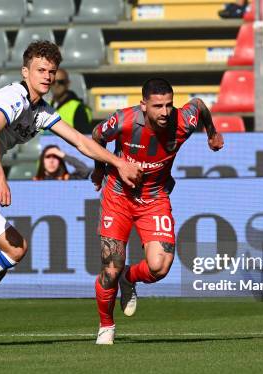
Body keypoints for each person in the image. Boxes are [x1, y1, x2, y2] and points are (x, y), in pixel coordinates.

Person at [0, 40, 141, 348]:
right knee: (16, 248)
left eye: (52, 71)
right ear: (25, 71)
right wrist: (0, 177)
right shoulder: (13, 96)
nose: (47, 76)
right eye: (40, 70)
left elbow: (80, 142)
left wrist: (118, 162)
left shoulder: (40, 111)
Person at [91, 78, 224, 345]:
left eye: (168, 105)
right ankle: (106, 326)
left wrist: (211, 132)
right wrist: (99, 168)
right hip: (118, 196)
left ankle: (129, 279)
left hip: (154, 198)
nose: (165, 112)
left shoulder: (183, 120)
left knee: (159, 267)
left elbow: (199, 105)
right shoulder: (125, 121)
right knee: (110, 268)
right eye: (157, 106)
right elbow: (96, 136)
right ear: (143, 105)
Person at [50, 68, 93, 134]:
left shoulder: (79, 108)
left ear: (68, 84)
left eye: (61, 82)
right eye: (53, 81)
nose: (56, 85)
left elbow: (84, 138)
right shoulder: (45, 105)